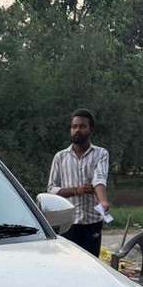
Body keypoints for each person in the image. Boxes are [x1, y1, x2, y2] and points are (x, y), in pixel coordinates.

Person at [47, 108, 110, 257]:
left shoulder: (101, 153)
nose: (77, 130)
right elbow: (51, 189)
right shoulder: (60, 157)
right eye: (74, 127)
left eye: (82, 126)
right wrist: (76, 190)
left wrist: (103, 201)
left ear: (91, 129)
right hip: (68, 223)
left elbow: (99, 178)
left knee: (92, 263)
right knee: (68, 264)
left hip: (92, 222)